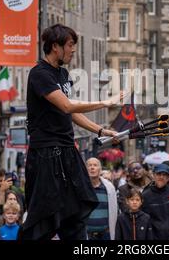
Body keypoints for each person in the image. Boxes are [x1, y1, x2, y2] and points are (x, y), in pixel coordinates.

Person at [21, 24, 125, 240]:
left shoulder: (63, 74)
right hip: (46, 154)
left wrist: (100, 130)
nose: (73, 50)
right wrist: (105, 102)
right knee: (42, 220)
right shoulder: (39, 74)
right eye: (70, 45)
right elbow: (68, 106)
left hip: (67, 151)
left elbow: (70, 112)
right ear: (55, 47)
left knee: (74, 217)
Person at [86, 158, 118, 240]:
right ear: (85, 169)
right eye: (89, 165)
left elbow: (114, 210)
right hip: (86, 235)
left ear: (100, 170)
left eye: (95, 165)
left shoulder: (109, 188)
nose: (92, 167)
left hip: (105, 235)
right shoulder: (81, 188)